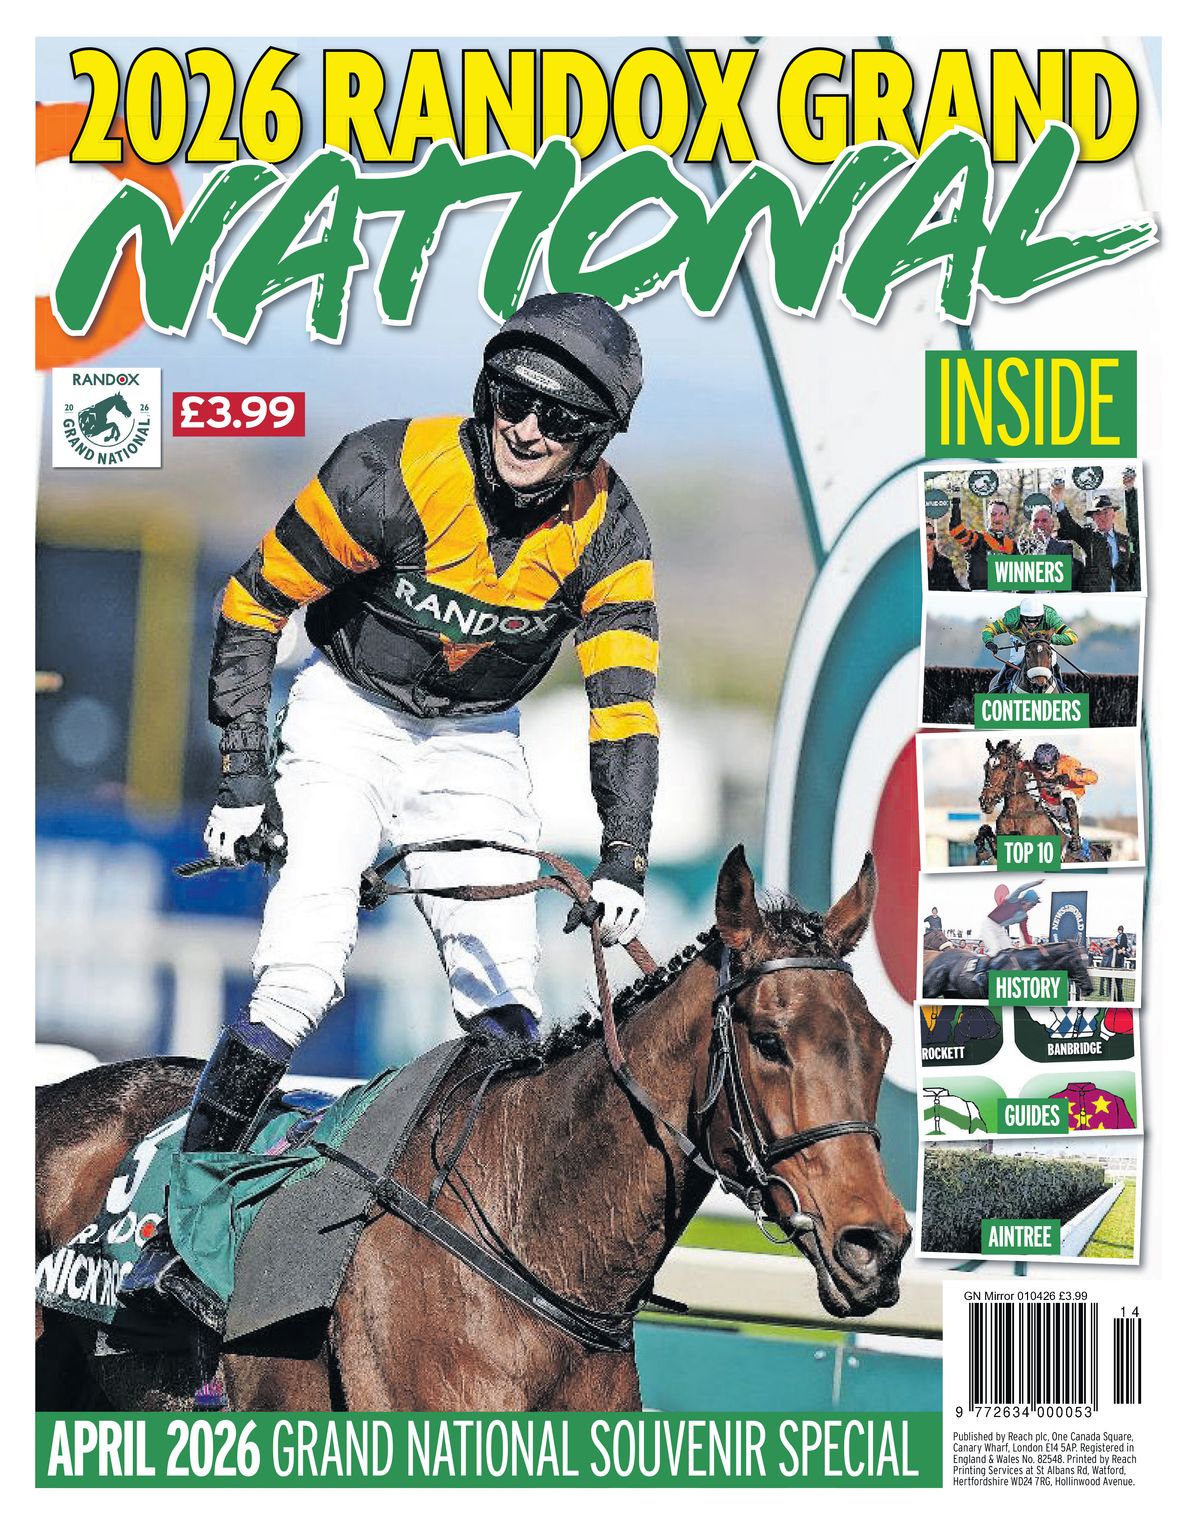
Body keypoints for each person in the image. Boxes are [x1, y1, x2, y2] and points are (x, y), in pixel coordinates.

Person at [121, 292, 660, 1307]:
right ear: (486, 391)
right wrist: (242, 779)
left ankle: (496, 1263)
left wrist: (625, 853)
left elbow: (623, 702)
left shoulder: (609, 529)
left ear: (593, 441)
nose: (526, 429)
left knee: (507, 1005)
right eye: (512, 399)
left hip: (477, 737)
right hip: (347, 711)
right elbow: (252, 600)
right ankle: (177, 1236)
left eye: (557, 419)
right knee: (301, 972)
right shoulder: (387, 467)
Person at [1050, 475, 1138, 592]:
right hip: (1095, 596)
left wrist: (1129, 489)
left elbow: (1132, 571)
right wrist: (1059, 501)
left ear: (1113, 514)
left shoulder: (1125, 541)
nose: (1102, 517)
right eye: (1097, 514)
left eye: (1105, 512)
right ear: (1092, 518)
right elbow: (1069, 526)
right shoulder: (1087, 536)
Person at [981, 596, 1078, 691]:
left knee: (1052, 661)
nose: (1032, 624)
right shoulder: (1012, 618)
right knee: (1016, 660)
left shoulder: (1050, 617)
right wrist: (989, 641)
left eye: (1036, 620)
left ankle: (1062, 688)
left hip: (1044, 642)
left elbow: (1073, 636)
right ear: (1021, 616)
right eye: (1028, 620)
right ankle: (998, 686)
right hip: (1021, 640)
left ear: (1042, 616)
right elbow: (989, 629)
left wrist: (1050, 639)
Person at [1022, 741, 1098, 854]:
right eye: (1040, 769)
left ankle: (1076, 838)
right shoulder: (1034, 764)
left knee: (1067, 798)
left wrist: (1069, 776)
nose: (1044, 773)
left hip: (1066, 809)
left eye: (1047, 769)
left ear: (1056, 763)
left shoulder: (1068, 764)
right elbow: (1015, 765)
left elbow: (1094, 777)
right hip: (1046, 805)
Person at [946, 494, 1015, 589]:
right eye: (993, 514)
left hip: (1006, 593)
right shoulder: (977, 538)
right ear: (987, 517)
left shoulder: (1012, 545)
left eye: (1002, 514)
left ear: (1007, 517)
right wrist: (956, 502)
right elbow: (956, 530)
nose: (997, 518)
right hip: (981, 593)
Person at [980, 880, 1042, 958]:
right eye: (1031, 904)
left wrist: (1031, 945)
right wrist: (1036, 883)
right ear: (1024, 901)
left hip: (999, 928)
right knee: (994, 950)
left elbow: (1025, 932)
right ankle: (978, 966)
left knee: (1010, 951)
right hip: (988, 925)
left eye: (1034, 905)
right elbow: (1020, 888)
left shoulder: (1024, 917)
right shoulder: (1012, 900)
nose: (1032, 907)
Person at [925, 521, 963, 590]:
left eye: (931, 536)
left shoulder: (945, 562)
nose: (928, 540)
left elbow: (956, 588)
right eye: (923, 537)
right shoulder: (913, 564)